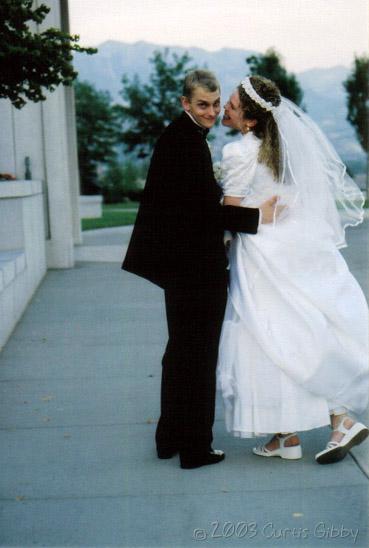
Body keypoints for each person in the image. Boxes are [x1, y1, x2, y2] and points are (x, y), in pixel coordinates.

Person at [122, 70, 279, 469]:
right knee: (197, 358)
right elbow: (205, 212)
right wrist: (258, 216)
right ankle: (195, 448)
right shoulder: (187, 144)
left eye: (215, 104)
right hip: (196, 270)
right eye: (203, 105)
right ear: (185, 103)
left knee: (179, 354)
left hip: (181, 267)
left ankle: (170, 437)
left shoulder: (179, 138)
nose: (210, 112)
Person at [217, 75, 369, 464]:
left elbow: (231, 211)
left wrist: (246, 214)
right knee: (296, 332)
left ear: (250, 120)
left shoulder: (239, 152)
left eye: (232, 105)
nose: (225, 109)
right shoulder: (284, 148)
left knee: (269, 338)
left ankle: (325, 424)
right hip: (296, 247)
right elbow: (295, 200)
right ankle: (289, 436)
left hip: (261, 254)